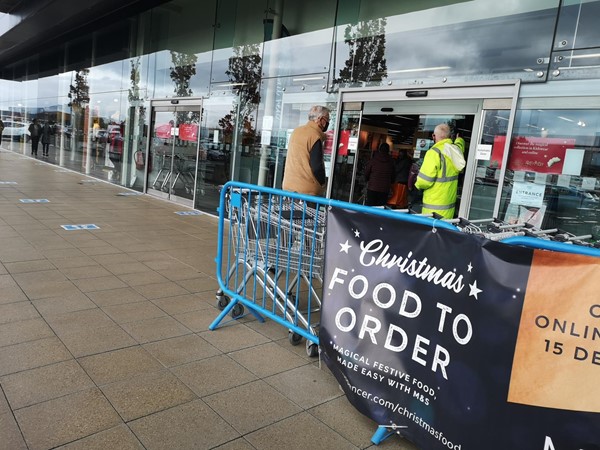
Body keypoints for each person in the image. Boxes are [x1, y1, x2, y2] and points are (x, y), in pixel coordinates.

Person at [414, 123, 466, 219]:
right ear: (449, 136)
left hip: (433, 209)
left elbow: (424, 181)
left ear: (434, 136)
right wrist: (460, 139)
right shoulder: (455, 150)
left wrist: (416, 184)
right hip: (449, 207)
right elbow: (460, 146)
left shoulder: (433, 152)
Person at [282, 105, 329, 195]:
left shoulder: (296, 131)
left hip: (288, 186)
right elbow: (317, 166)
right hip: (307, 191)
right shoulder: (315, 136)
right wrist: (322, 184)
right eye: (327, 119)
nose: (327, 123)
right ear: (321, 120)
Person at [364, 142, 394, 207]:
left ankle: (369, 217)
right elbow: (393, 175)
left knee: (370, 207)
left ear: (379, 149)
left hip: (372, 187)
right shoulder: (391, 162)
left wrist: (366, 179)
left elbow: (367, 172)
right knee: (381, 208)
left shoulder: (373, 160)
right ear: (388, 151)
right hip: (385, 189)